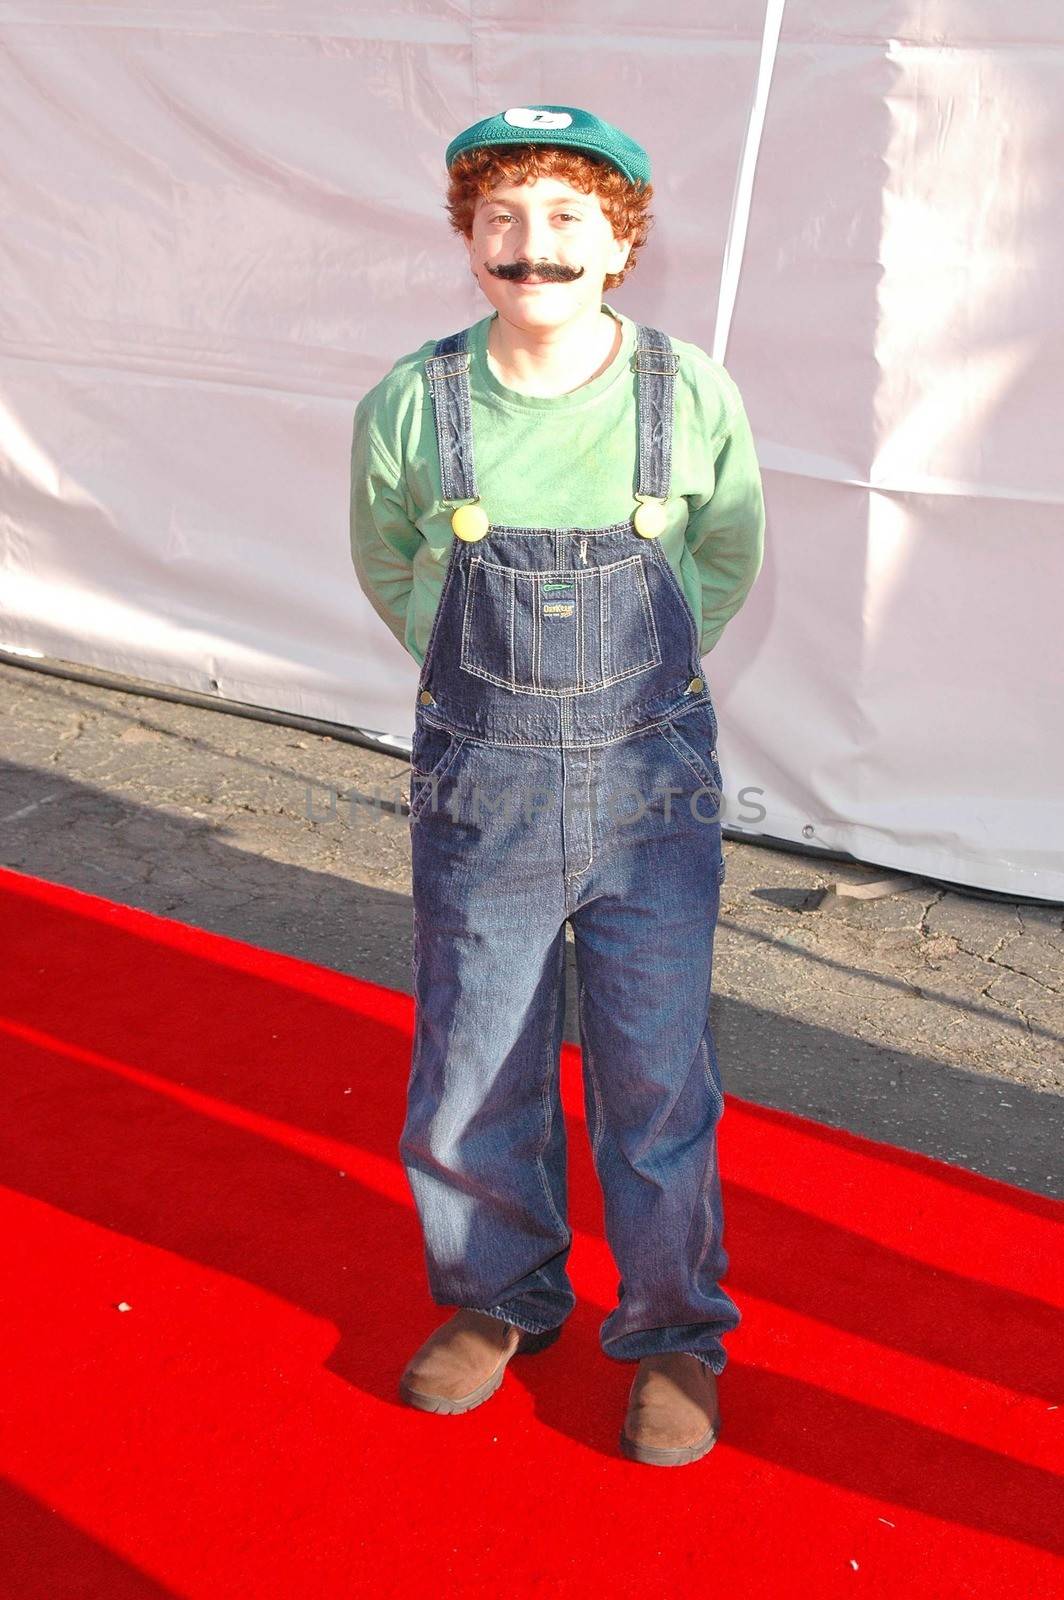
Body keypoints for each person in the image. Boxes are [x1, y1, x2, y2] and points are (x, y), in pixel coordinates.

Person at [349, 104, 765, 1467]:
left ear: (623, 240)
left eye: (569, 218)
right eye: (504, 220)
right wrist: (461, 652)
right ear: (469, 236)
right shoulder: (417, 400)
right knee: (474, 1065)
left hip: (653, 793)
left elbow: (723, 553)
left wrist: (637, 661)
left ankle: (674, 1329)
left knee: (656, 1076)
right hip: (486, 794)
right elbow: (392, 556)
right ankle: (500, 1294)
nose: (535, 248)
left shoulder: (684, 392)